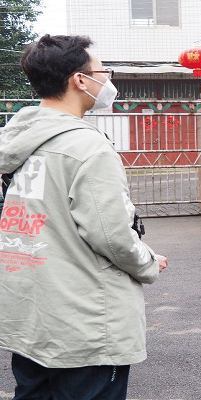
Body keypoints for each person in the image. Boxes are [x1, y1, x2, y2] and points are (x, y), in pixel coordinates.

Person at [0, 34, 168, 400]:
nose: (107, 80)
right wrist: (148, 261)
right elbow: (112, 236)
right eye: (102, 72)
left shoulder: (18, 139)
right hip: (84, 320)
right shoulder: (87, 146)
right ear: (80, 79)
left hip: (30, 314)